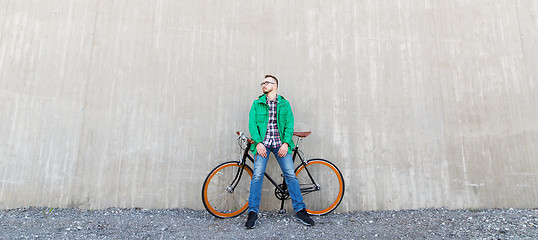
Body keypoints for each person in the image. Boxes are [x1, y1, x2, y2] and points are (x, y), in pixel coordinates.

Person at [245, 74, 315, 229]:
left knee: (290, 175)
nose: (263, 85)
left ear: (275, 85)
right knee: (257, 176)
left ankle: (300, 210)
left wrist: (285, 143)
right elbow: (252, 123)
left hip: (280, 145)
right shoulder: (257, 104)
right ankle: (252, 212)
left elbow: (289, 124)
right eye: (262, 83)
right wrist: (257, 143)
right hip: (263, 145)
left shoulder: (284, 104)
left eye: (267, 83)